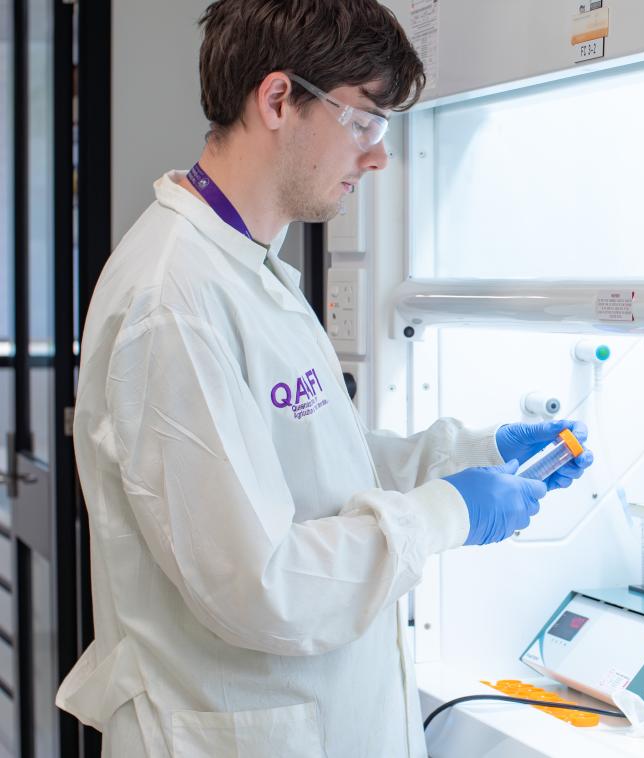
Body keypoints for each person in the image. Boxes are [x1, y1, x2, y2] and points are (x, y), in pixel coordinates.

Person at [55, 2, 593, 756]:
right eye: (363, 122)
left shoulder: (250, 267)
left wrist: (472, 454)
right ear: (278, 99)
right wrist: (447, 513)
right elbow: (260, 584)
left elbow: (316, 468)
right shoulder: (173, 300)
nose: (378, 157)